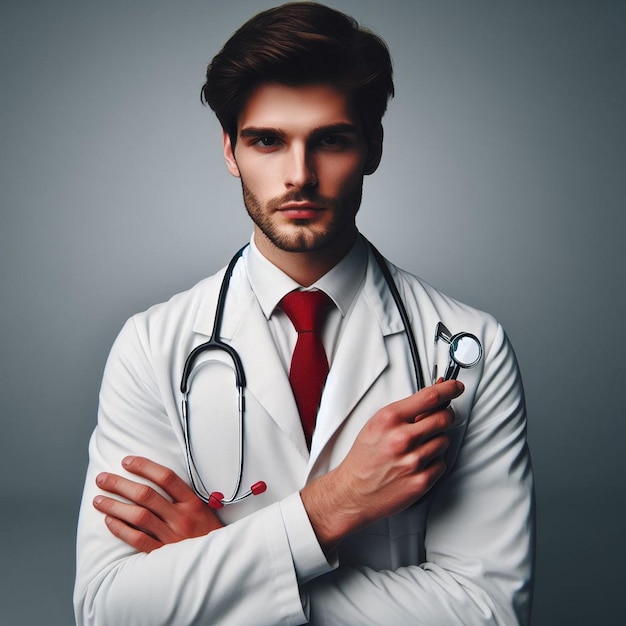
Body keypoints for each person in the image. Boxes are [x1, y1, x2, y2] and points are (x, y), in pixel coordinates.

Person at [74, 3, 535, 624]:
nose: (299, 176)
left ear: (372, 147)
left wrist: (210, 560)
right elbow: (109, 609)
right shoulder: (151, 345)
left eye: (331, 140)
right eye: (267, 140)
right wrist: (332, 506)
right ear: (231, 151)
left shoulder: (469, 344)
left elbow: (488, 610)